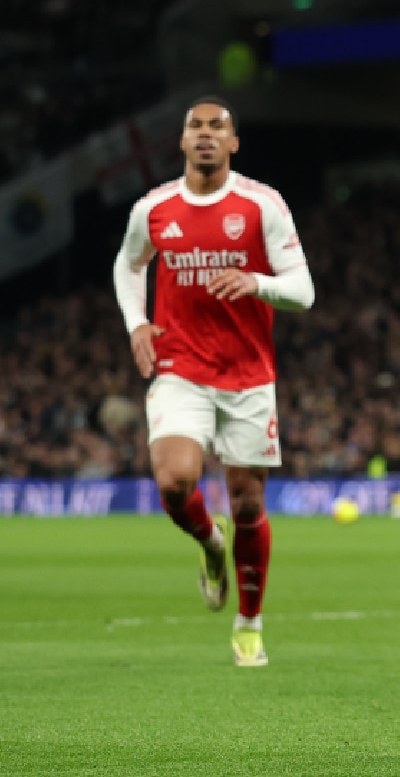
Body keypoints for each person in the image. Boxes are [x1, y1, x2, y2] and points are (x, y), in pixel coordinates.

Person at [112, 96, 316, 667]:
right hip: (181, 368)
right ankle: (209, 541)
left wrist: (256, 282)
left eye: (216, 127)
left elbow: (303, 290)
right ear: (181, 142)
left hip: (249, 374)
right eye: (195, 127)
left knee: (248, 502)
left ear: (233, 143)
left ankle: (249, 624)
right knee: (176, 481)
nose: (205, 135)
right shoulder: (153, 209)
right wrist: (137, 325)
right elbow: (128, 265)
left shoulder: (260, 205)